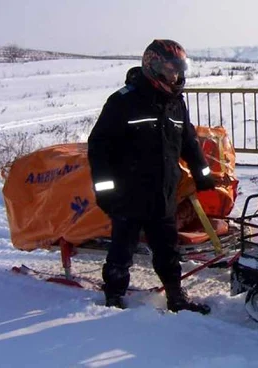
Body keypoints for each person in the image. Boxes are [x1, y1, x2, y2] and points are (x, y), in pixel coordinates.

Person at [88, 39, 215, 314]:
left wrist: (203, 173)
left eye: (179, 71)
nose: (176, 77)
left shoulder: (176, 103)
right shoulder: (124, 101)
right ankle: (113, 296)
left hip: (163, 194)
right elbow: (98, 147)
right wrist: (105, 190)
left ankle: (176, 297)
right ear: (153, 67)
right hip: (128, 194)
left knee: (168, 252)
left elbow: (189, 142)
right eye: (170, 70)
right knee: (122, 252)